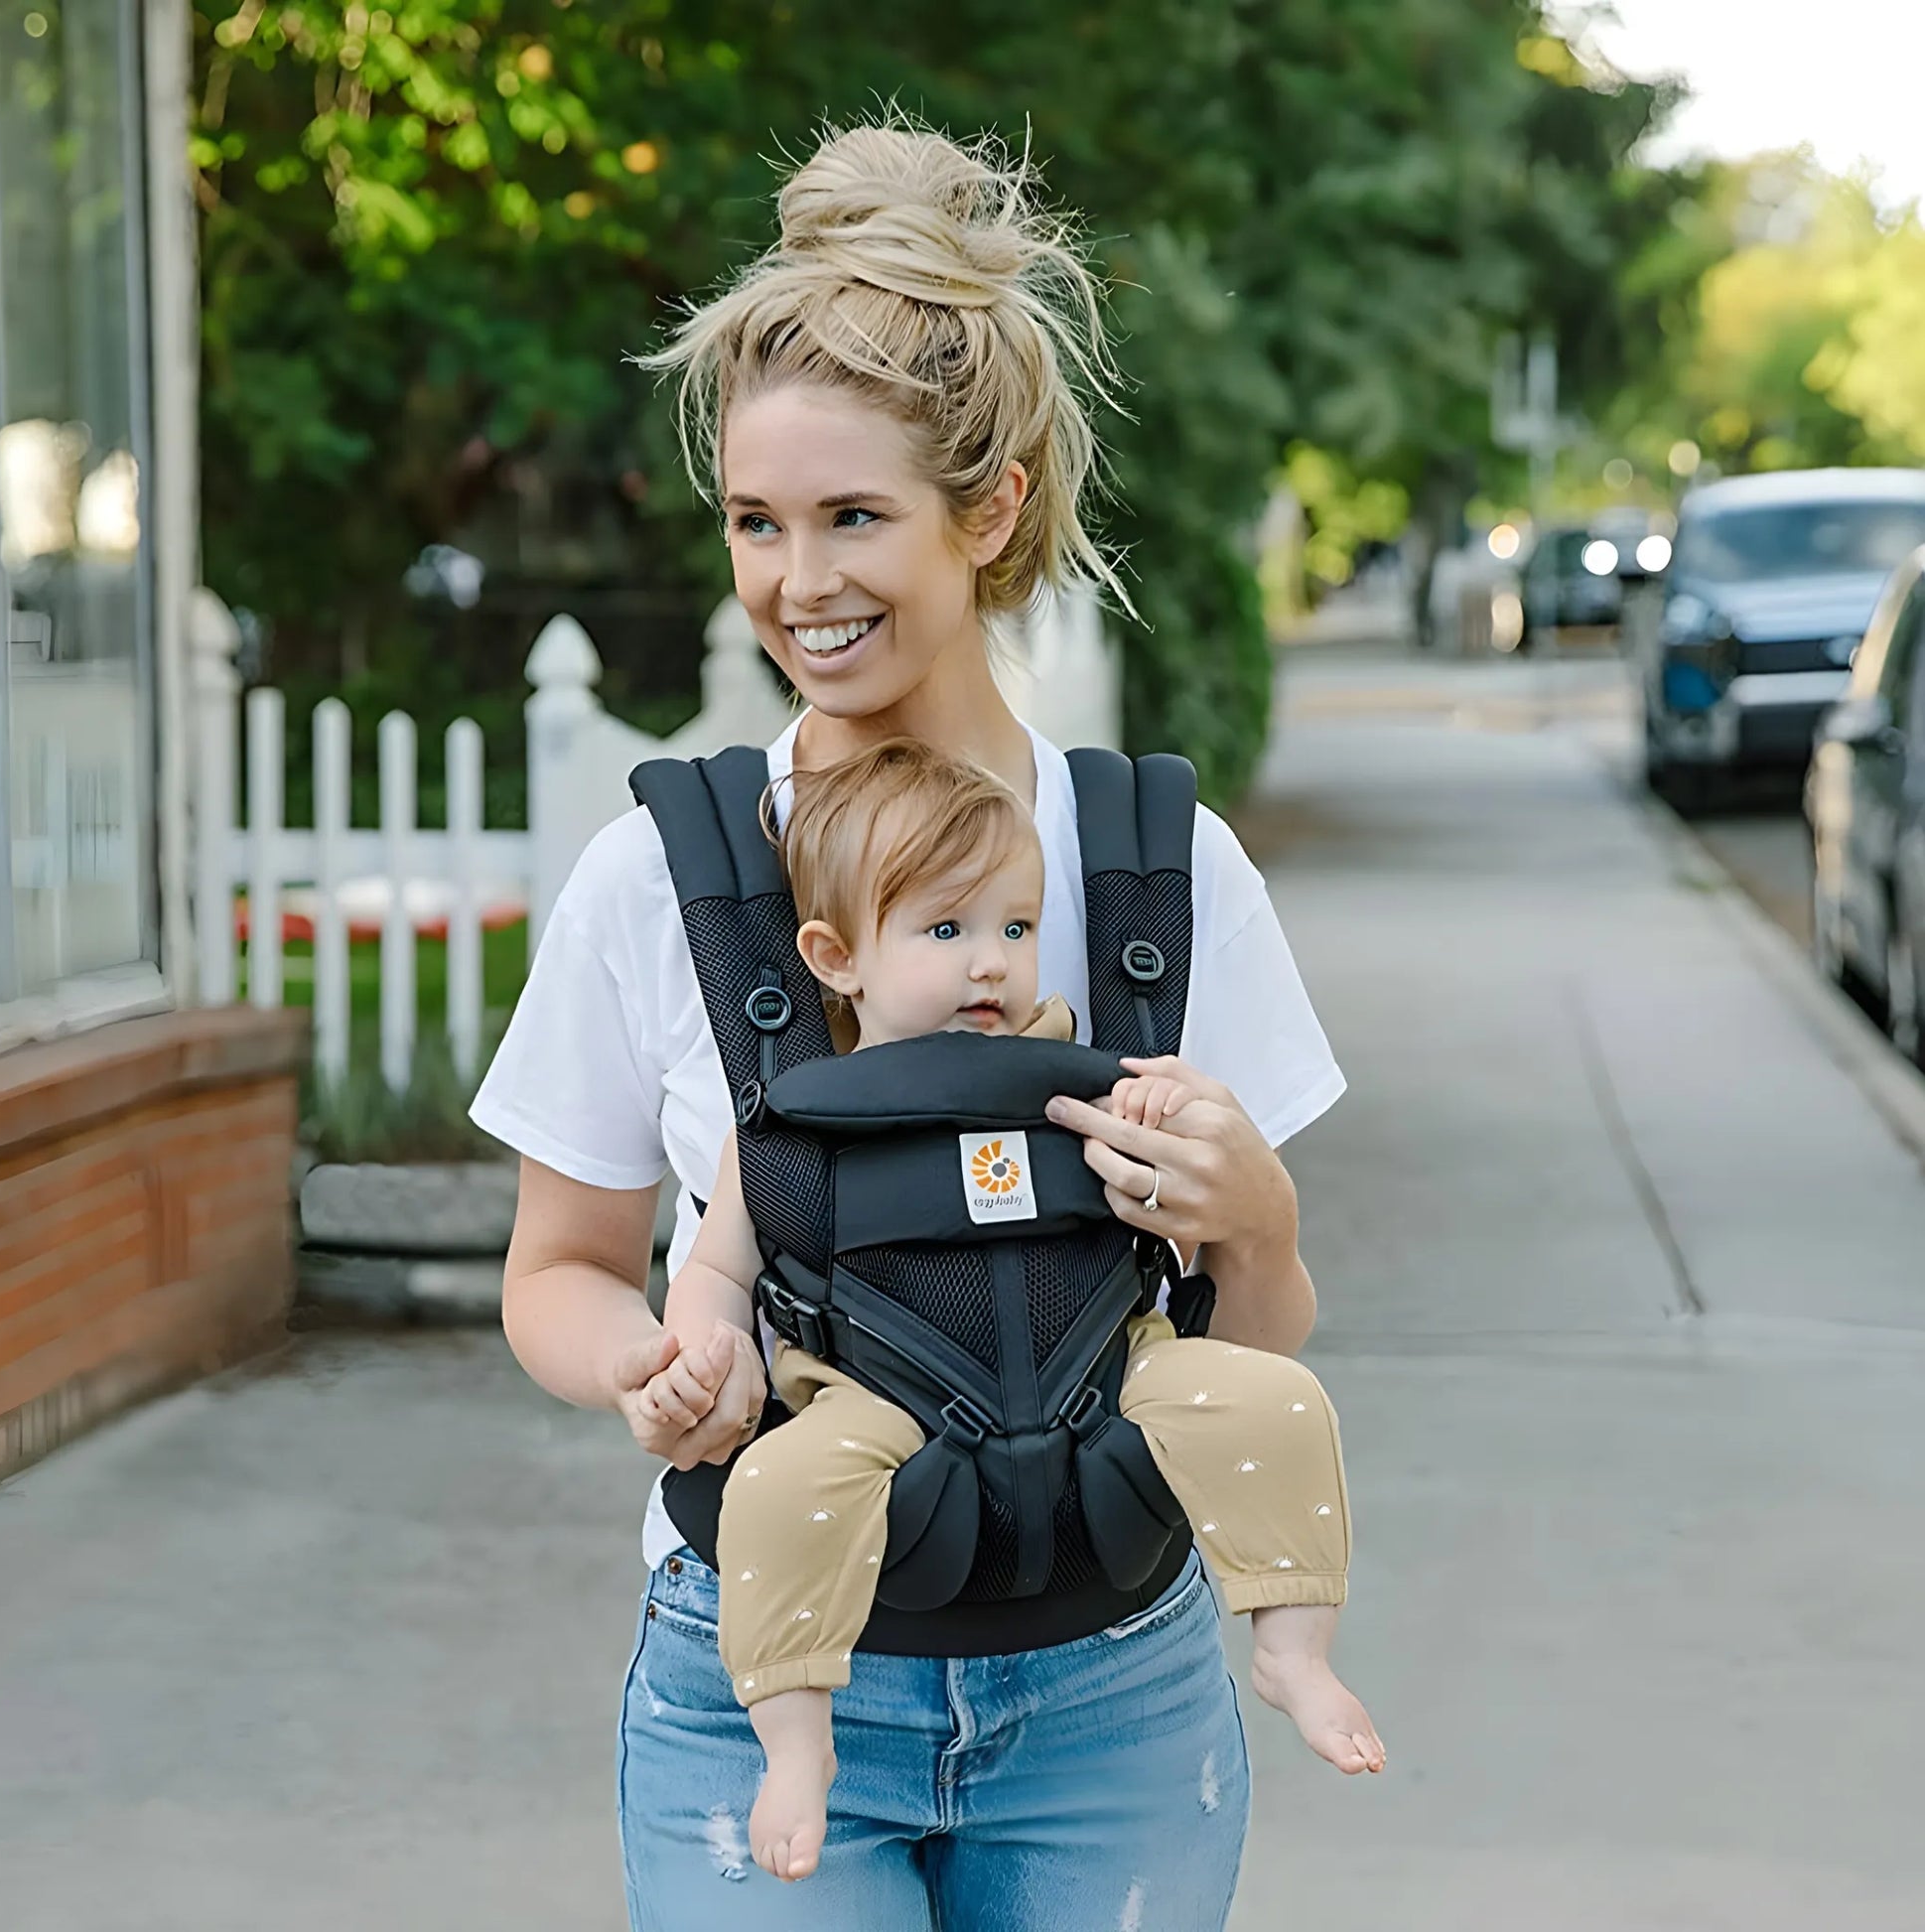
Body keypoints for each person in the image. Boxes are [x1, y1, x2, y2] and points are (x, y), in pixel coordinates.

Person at [474, 115, 1359, 1932]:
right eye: (757, 522)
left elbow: (1257, 1325)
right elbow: (554, 1268)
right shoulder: (660, 878)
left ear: (992, 509)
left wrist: (1256, 1217)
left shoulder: (1154, 865)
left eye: (853, 517)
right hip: (764, 1676)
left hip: (1115, 1692)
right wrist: (649, 1362)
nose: (799, 583)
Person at [641, 736, 1380, 1882]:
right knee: (775, 1489)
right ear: (836, 956)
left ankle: (1291, 1645)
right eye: (943, 929)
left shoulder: (1086, 1074)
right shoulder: (794, 1121)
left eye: (1015, 927)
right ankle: (795, 1739)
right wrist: (699, 1345)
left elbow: (1198, 1245)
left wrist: (1186, 1135)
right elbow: (712, 1273)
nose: (989, 961)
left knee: (1274, 1401)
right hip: (877, 1406)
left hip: (1109, 1371)